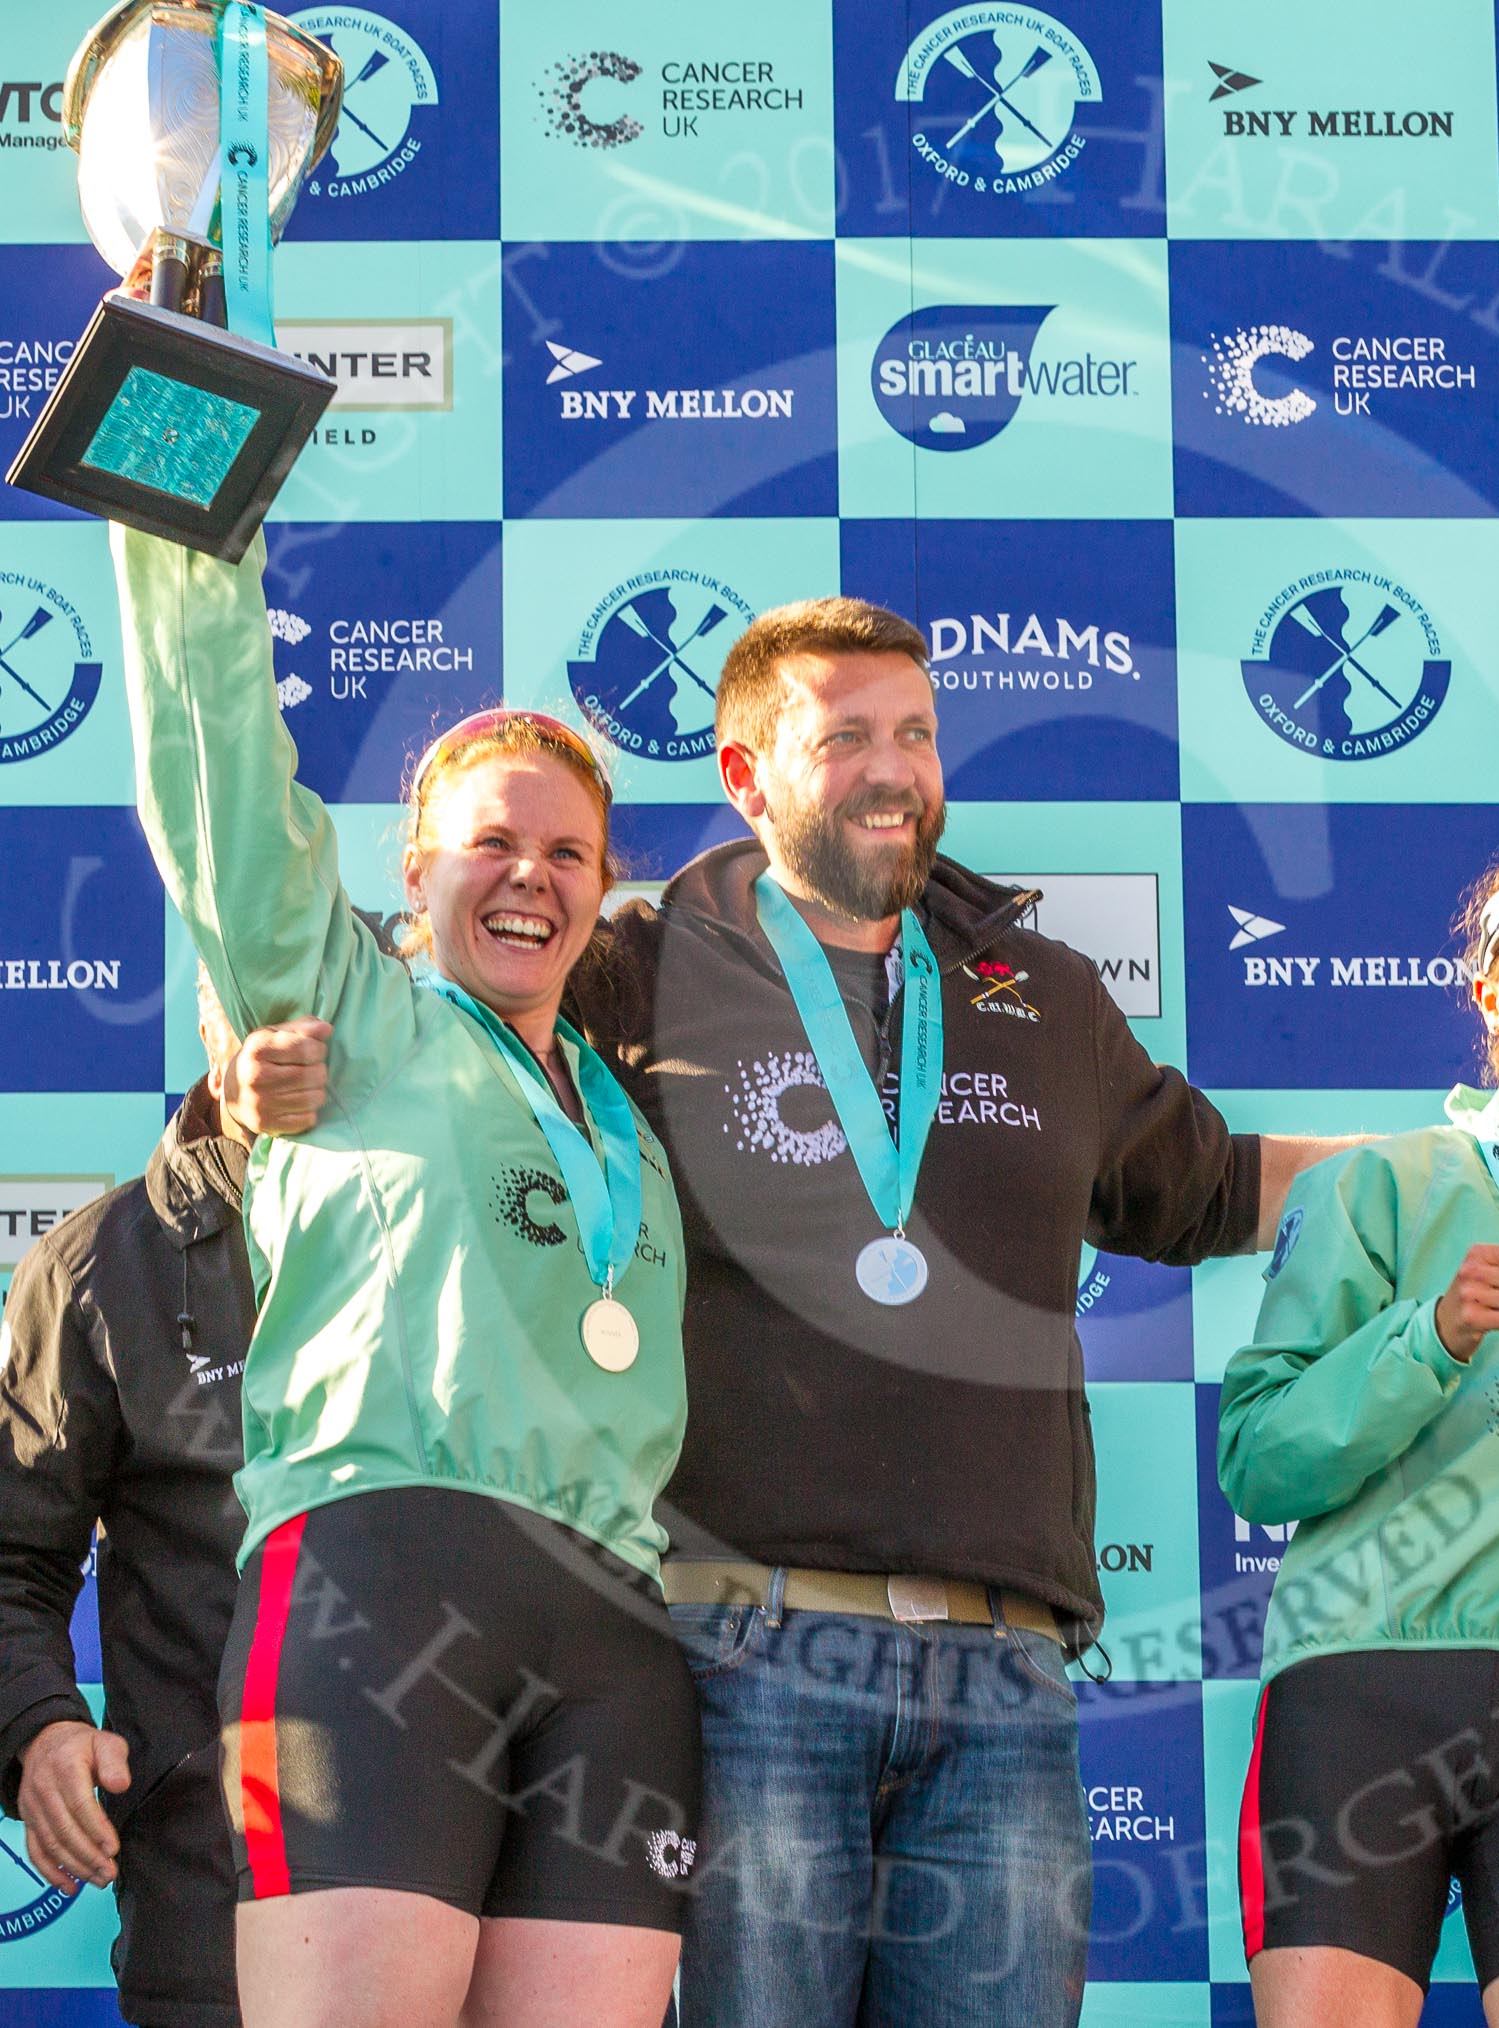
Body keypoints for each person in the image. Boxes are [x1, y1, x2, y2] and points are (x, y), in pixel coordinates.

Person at [228, 592, 1355, 2028]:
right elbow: (431, 1072)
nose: (895, 769)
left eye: (918, 733)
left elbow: (1209, 1189)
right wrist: (249, 1082)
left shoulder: (1045, 989)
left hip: (1005, 1667)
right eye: (846, 738)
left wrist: (1480, 1162)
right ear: (750, 777)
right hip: (743, 1649)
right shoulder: (624, 969)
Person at [109, 525, 698, 2028]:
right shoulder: (341, 1013)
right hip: (376, 1585)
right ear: (416, 868)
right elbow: (217, 769)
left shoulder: (633, 1108)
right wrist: (189, 526)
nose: (529, 877)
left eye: (568, 853)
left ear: (605, 886)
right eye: (492, 843)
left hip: (619, 1629)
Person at [1220, 842, 1499, 2028]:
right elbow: (1260, 1458)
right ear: (1487, 992)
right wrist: (1425, 1339)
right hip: (1360, 1680)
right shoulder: (1381, 1183)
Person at [0, 977, 252, 2027]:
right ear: (207, 1021)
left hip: (487, 1882)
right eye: (260, 994)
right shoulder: (102, 1264)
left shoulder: (489, 1237)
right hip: (214, 1888)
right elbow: (14, 1560)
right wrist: (40, 1729)